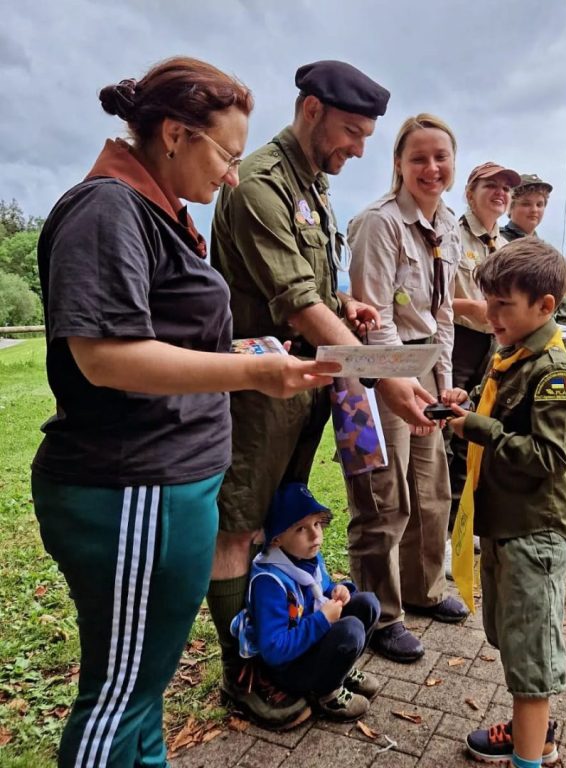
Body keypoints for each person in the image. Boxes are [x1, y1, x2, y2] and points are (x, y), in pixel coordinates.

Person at [31, 57, 339, 768]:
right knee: (118, 699)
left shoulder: (155, 213)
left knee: (142, 692)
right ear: (174, 135)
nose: (233, 174)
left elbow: (161, 338)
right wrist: (252, 372)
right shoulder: (107, 209)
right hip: (130, 485)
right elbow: (106, 355)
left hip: (164, 484)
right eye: (228, 154)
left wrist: (239, 348)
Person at [208, 60, 436, 726]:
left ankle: (291, 658)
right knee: (240, 528)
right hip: (257, 394)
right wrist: (386, 373)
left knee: (278, 524)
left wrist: (348, 304)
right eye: (352, 131)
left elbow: (309, 289)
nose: (360, 148)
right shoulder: (259, 185)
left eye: (368, 135)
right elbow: (294, 301)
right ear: (311, 109)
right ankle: (244, 673)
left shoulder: (311, 184)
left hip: (305, 384)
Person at [448, 237, 566, 768]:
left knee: (532, 661)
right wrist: (466, 405)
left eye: (502, 305)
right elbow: (500, 414)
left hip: (536, 533)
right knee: (514, 642)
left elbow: (548, 456)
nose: (490, 314)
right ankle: (537, 734)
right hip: (506, 527)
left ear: (545, 306)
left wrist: (480, 428)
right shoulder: (510, 355)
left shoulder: (553, 372)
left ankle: (531, 757)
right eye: (488, 301)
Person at [345, 113, 469, 664]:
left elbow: (441, 313)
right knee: (383, 496)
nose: (431, 167)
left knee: (432, 486)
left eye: (440, 156)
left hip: (422, 362)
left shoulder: (445, 225)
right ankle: (379, 613)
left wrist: (441, 381)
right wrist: (399, 379)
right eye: (418, 157)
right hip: (378, 365)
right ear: (397, 163)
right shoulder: (380, 223)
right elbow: (374, 318)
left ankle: (423, 590)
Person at [230, 482, 381, 724]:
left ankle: (341, 669)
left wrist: (339, 591)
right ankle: (327, 692)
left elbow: (322, 589)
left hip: (309, 639)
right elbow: (274, 651)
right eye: (301, 528)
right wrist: (322, 620)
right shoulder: (270, 583)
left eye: (317, 524)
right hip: (289, 668)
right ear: (277, 539)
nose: (315, 534)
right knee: (350, 629)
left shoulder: (307, 555)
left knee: (367, 603)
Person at [446, 162, 521, 576]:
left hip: (493, 346)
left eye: (506, 188)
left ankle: (464, 524)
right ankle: (441, 536)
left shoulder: (506, 246)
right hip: (459, 342)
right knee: (449, 433)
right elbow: (430, 298)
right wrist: (471, 307)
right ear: (470, 192)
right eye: (490, 185)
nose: (500, 193)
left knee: (476, 433)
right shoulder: (452, 235)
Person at [499, 173, 553, 241]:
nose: (534, 210)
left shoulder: (543, 248)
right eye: (526, 204)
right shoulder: (497, 241)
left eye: (539, 205)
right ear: (510, 207)